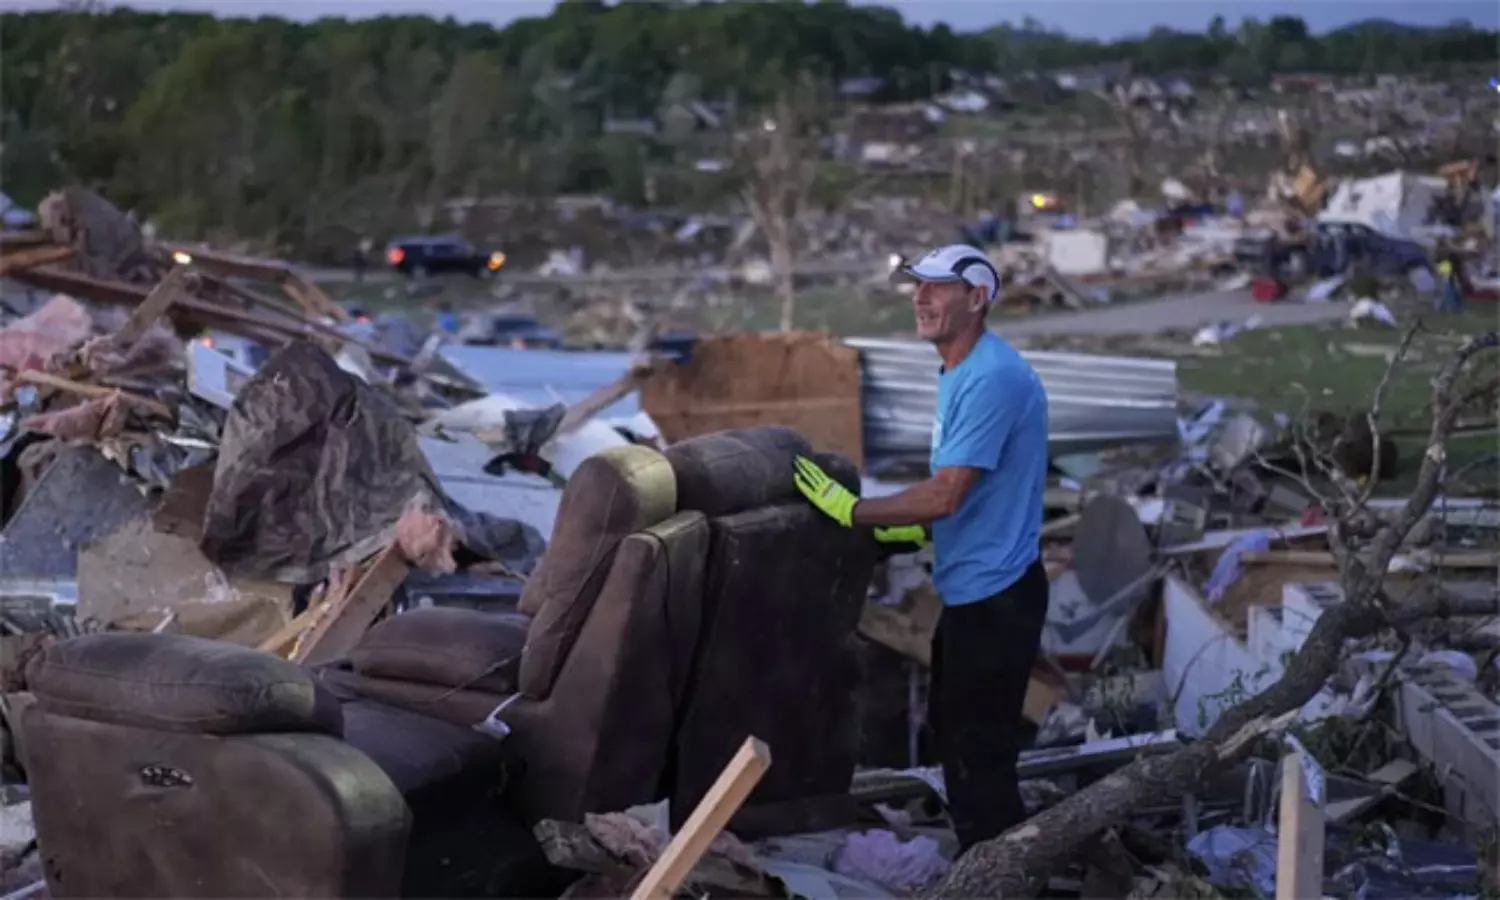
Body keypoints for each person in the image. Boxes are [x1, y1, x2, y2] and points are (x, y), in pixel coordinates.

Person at [791, 244, 1050, 854]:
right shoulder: (960, 370)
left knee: (977, 757)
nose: (920, 297)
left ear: (977, 298)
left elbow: (947, 494)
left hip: (996, 598)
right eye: (917, 286)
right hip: (975, 589)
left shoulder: (992, 376)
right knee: (955, 739)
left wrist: (852, 511)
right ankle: (989, 864)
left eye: (936, 287)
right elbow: (979, 490)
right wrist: (909, 529)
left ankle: (1000, 877)